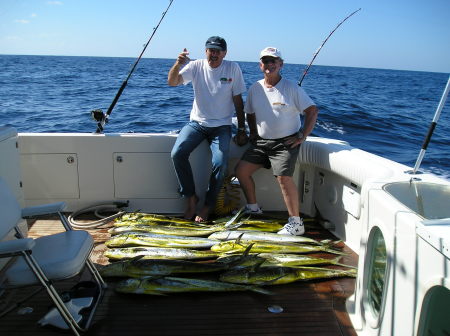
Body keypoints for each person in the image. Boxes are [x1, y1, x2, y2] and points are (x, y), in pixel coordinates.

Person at [235, 47, 318, 236]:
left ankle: (296, 223)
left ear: (281, 64)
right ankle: (253, 208)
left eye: (274, 61)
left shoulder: (292, 88)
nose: (269, 64)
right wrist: (253, 133)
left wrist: (302, 136)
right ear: (260, 65)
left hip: (285, 143)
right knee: (241, 171)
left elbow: (312, 111)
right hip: (261, 142)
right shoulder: (256, 87)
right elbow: (250, 112)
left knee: (283, 177)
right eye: (265, 61)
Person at [168, 36, 248, 222]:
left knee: (220, 163)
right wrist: (178, 64)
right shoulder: (196, 66)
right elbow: (172, 82)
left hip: (222, 126)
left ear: (225, 53)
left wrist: (242, 129)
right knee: (177, 153)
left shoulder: (232, 68)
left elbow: (238, 101)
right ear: (205, 51)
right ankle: (190, 197)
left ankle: (207, 205)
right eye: (211, 50)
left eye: (218, 50)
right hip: (197, 123)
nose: (214, 54)